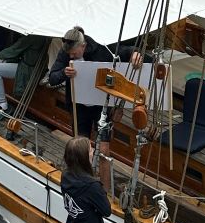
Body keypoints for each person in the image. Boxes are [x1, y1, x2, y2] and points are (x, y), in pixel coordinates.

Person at [49, 27, 141, 188]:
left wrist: (135, 53)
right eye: (68, 54)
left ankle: (104, 190)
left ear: (82, 46)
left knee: (104, 150)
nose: (70, 56)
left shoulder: (102, 48)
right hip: (79, 107)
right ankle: (83, 185)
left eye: (73, 54)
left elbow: (126, 52)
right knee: (81, 149)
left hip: (101, 107)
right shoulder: (66, 53)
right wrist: (64, 72)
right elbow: (52, 78)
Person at [61, 136, 111, 223]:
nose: (93, 151)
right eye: (90, 149)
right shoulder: (92, 186)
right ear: (84, 157)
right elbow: (106, 211)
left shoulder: (65, 176)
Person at [0, 33, 47, 121]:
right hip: (40, 69)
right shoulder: (45, 37)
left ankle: (3, 106)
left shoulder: (33, 37)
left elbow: (15, 49)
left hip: (28, 70)